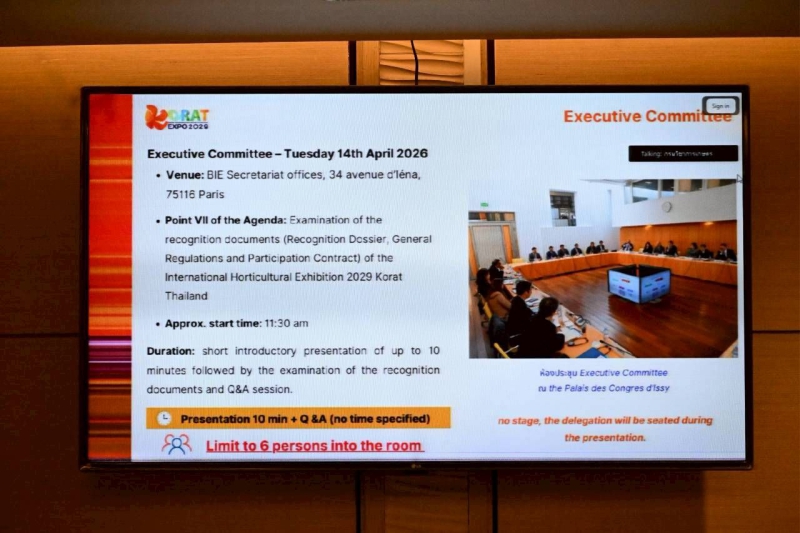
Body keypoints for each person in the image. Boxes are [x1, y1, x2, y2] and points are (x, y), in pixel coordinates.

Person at [507, 282, 566, 359]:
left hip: (523, 353)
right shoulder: (549, 326)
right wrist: (560, 334)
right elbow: (556, 345)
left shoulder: (533, 319)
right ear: (553, 312)